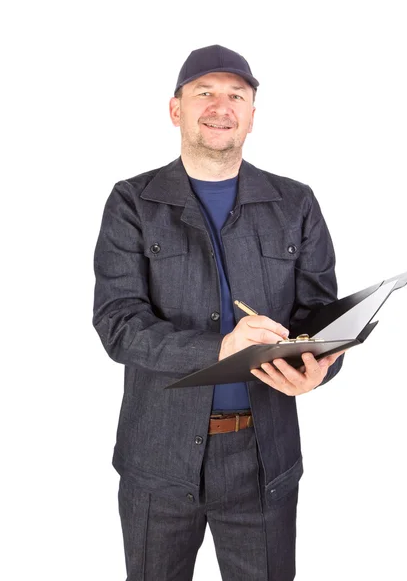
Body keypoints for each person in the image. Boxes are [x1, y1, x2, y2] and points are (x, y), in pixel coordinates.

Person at [93, 44, 345, 581]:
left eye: (237, 95)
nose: (220, 105)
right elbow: (118, 324)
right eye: (203, 92)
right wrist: (221, 348)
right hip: (157, 457)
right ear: (175, 108)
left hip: (263, 459)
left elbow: (320, 314)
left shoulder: (295, 203)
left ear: (253, 114)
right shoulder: (132, 202)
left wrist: (317, 371)